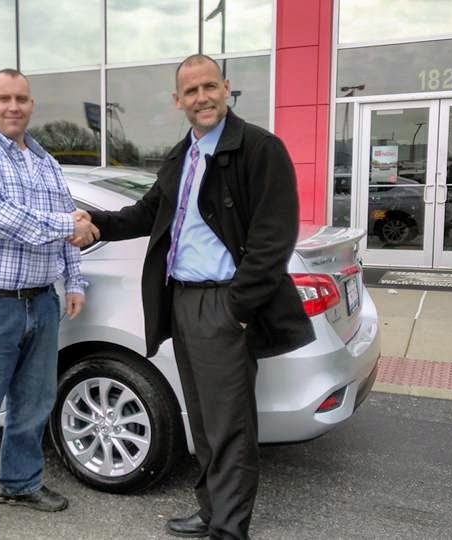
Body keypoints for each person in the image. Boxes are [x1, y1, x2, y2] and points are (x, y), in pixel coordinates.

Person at [73, 54, 315, 539]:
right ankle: (211, 511)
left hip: (224, 303)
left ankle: (229, 528)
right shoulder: (182, 153)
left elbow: (273, 239)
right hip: (183, 301)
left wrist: (240, 309)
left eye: (209, 86)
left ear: (226, 89)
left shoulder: (259, 149)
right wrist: (96, 224)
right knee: (203, 419)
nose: (201, 97)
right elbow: (146, 214)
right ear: (177, 100)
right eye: (191, 91)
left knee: (229, 424)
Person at [0, 68, 99, 540]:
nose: (14, 107)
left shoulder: (46, 161)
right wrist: (68, 225)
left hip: (40, 302)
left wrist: (74, 281)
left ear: (32, 105)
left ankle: (20, 484)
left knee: (33, 404)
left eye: (22, 99)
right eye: (4, 98)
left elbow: (68, 227)